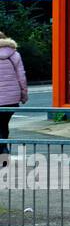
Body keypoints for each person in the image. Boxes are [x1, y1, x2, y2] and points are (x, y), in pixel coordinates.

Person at [0, 30, 29, 164]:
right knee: (3, 124)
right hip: (11, 98)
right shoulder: (14, 55)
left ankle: (3, 150)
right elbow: (21, 77)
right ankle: (4, 150)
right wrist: (23, 94)